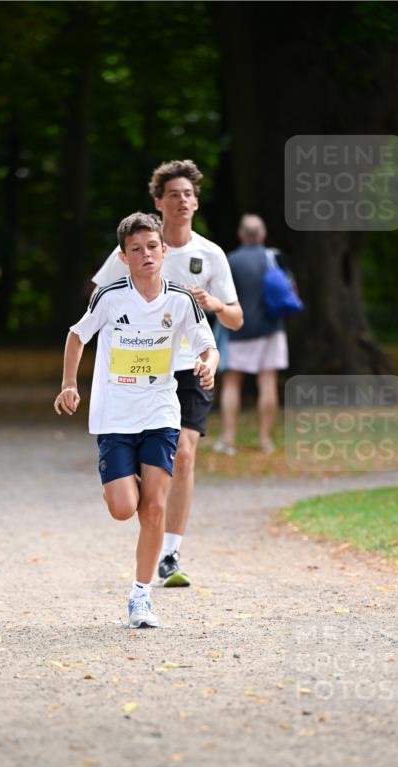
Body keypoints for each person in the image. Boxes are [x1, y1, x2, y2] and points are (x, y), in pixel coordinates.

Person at [54, 212, 218, 629]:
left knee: (155, 507)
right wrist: (69, 385)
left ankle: (141, 597)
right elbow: (77, 336)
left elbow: (208, 345)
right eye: (135, 249)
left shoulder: (180, 299)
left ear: (164, 251)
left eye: (151, 247)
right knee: (124, 508)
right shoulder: (110, 297)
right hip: (114, 416)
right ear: (124, 257)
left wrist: (208, 364)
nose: (145, 255)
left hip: (160, 412)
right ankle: (135, 482)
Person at [92, 159, 243, 588]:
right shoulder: (140, 247)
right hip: (139, 368)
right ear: (158, 202)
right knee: (138, 486)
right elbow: (99, 296)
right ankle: (132, 482)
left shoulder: (210, 254)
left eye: (189, 194)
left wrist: (212, 304)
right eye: (174, 194)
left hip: (190, 366)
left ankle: (170, 554)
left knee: (185, 453)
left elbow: (236, 319)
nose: (183, 200)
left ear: (196, 203)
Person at [213, 214, 289, 456]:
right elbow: (290, 290)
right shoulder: (274, 258)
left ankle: (229, 439)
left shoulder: (230, 261)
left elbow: (220, 296)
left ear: (241, 235)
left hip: (239, 330)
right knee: (267, 382)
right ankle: (265, 441)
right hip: (271, 329)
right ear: (263, 235)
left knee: (232, 383)